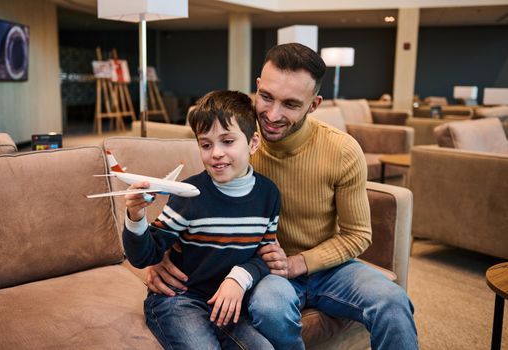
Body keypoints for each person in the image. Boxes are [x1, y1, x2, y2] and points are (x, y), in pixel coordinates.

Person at [146, 43, 419, 350]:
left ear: (314, 104)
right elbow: (200, 206)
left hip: (327, 269)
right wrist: (164, 254)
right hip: (265, 271)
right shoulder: (237, 140)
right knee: (270, 307)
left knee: (393, 301)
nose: (272, 115)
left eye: (291, 104)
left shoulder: (342, 151)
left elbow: (358, 236)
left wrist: (298, 262)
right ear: (258, 86)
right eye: (266, 97)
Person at [122, 90, 297, 349]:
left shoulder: (268, 194)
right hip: (179, 300)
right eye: (206, 144)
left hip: (227, 301)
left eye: (227, 141)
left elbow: (265, 255)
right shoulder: (188, 195)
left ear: (253, 143)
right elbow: (144, 256)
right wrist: (136, 217)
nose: (216, 153)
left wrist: (239, 278)